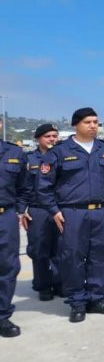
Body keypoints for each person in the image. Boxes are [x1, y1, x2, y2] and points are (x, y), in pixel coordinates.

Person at [38, 108, 104, 323]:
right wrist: (54, 210)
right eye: (88, 122)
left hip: (101, 211)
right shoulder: (59, 152)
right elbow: (44, 186)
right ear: (76, 124)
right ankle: (77, 302)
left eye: (96, 122)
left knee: (101, 256)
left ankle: (97, 299)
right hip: (72, 213)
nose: (93, 125)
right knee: (72, 257)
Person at [24, 124, 61, 300]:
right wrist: (21, 210)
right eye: (48, 136)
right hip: (38, 210)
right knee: (39, 249)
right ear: (38, 138)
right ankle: (43, 285)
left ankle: (59, 282)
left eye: (55, 136)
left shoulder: (62, 156)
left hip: (59, 209)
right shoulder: (28, 159)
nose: (52, 139)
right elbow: (21, 186)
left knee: (61, 248)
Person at [0, 117, 28, 337]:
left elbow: (23, 186)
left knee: (8, 266)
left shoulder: (15, 153)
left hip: (5, 216)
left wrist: (19, 209)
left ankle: (2, 315)